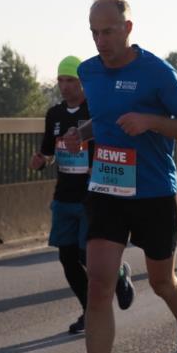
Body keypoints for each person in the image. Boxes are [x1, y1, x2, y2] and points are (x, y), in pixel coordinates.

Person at [66, 0, 177, 353]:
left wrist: (151, 121)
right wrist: (84, 133)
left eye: (107, 31)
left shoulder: (156, 71)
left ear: (128, 28)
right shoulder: (88, 71)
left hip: (155, 191)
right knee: (98, 286)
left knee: (162, 281)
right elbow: (108, 118)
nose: (100, 40)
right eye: (93, 32)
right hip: (107, 189)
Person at [30, 56, 134, 335]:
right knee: (67, 259)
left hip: (92, 196)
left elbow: (112, 147)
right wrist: (41, 160)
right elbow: (49, 152)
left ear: (82, 83)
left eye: (70, 80)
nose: (64, 86)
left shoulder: (95, 110)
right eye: (61, 80)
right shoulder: (54, 115)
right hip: (64, 196)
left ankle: (119, 272)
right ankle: (90, 312)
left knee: (89, 256)